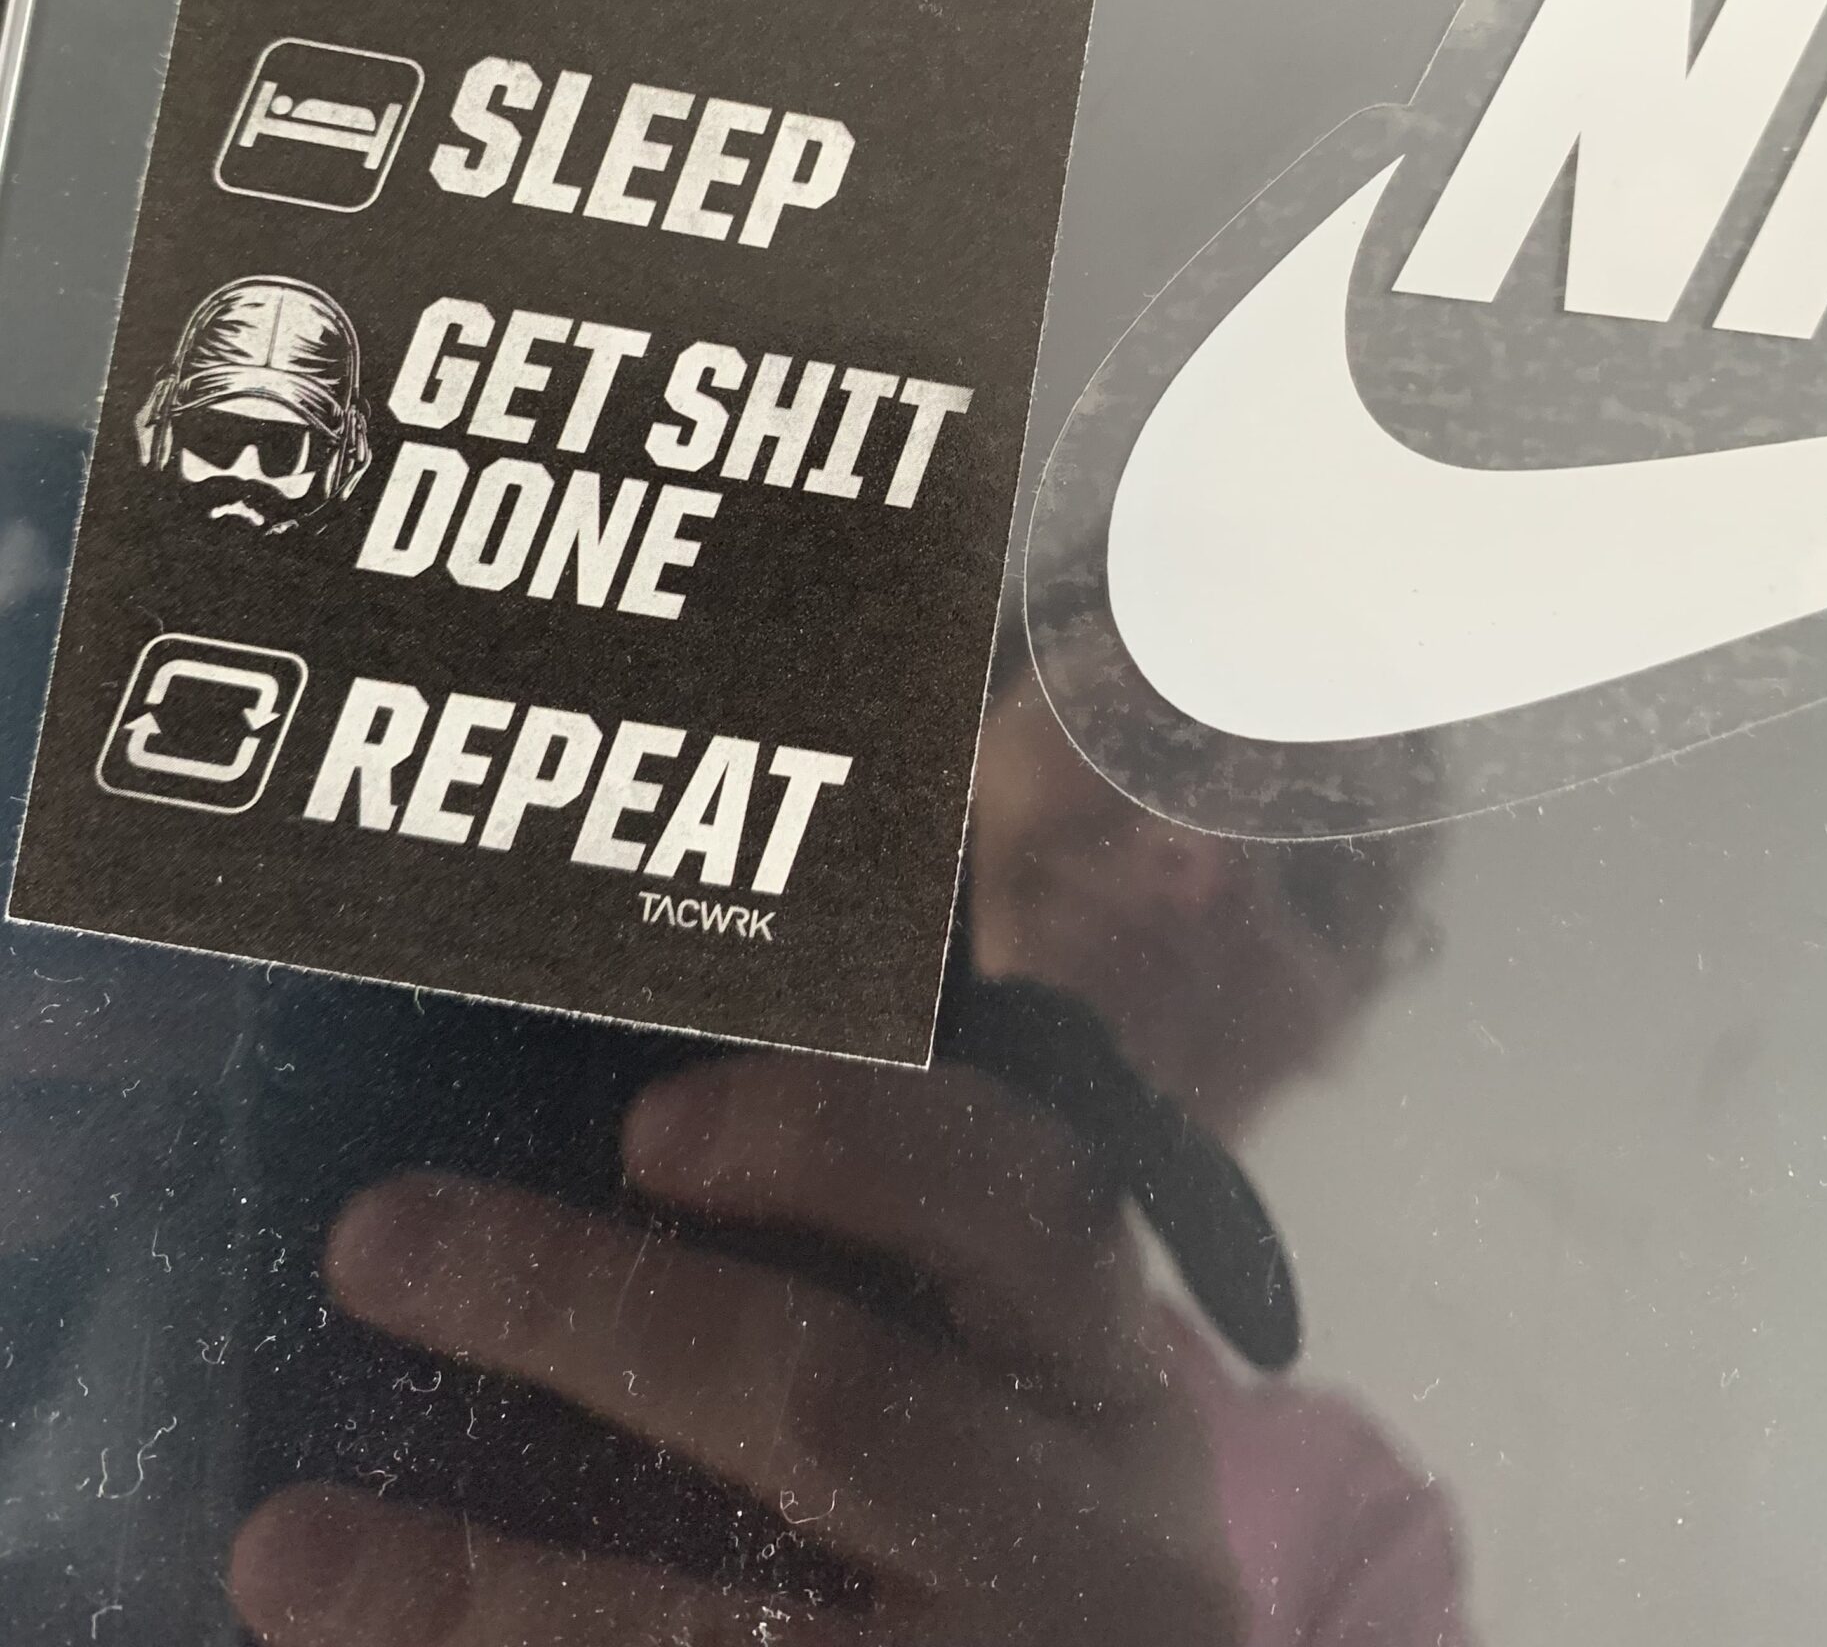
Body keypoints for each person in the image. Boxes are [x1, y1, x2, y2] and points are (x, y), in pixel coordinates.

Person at [223, 651, 1469, 1645]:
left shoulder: (1353, 1514)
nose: (1200, 862)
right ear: (951, 725)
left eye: (1326, 886)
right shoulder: (469, 998)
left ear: (1339, 1030)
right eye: (1150, 738)